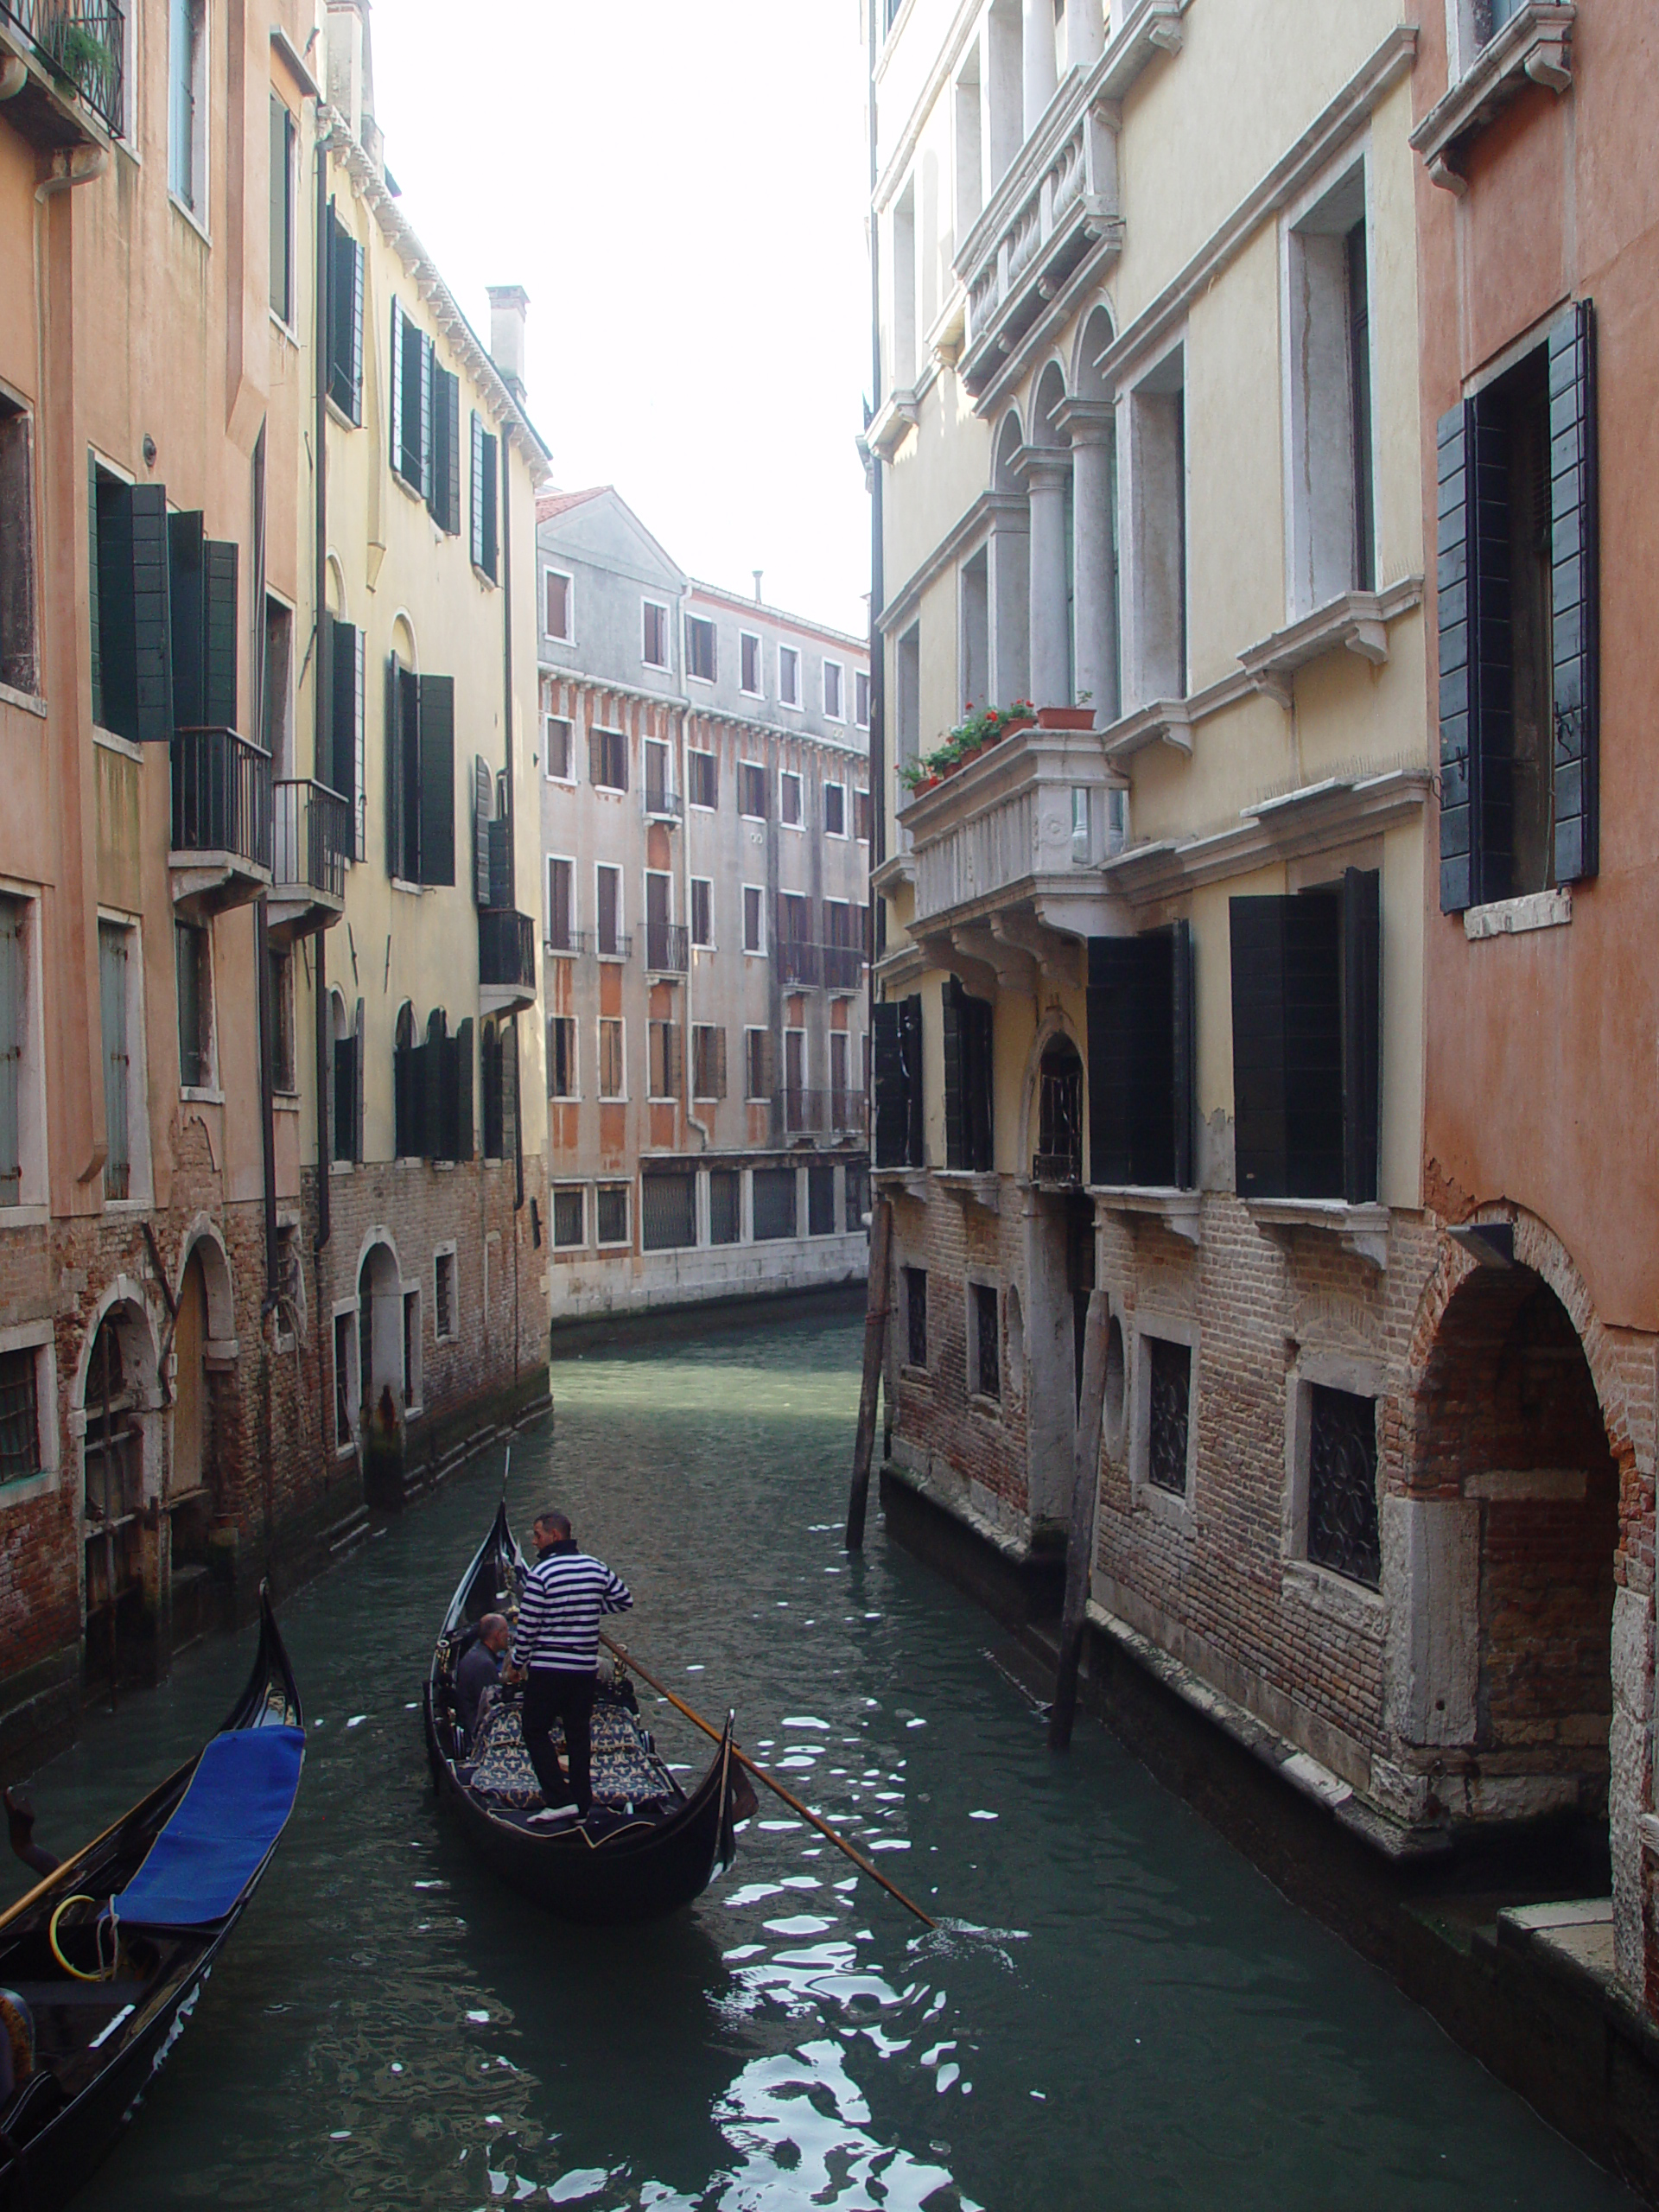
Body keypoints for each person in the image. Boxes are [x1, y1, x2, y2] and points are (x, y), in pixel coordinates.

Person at [503, 1509, 632, 1826]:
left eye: (537, 1535)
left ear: (554, 1535)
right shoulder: (594, 1566)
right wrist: (585, 1605)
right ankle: (582, 1803)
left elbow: (529, 1628)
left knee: (533, 1729)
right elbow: (623, 1600)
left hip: (549, 1669)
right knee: (577, 1735)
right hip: (583, 1671)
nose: (534, 1542)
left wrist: (516, 1666)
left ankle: (560, 1800)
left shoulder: (541, 1573)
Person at [454, 1613, 511, 1743]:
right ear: (497, 1635)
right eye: (506, 1631)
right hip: (477, 1733)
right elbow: (494, 1708)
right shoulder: (485, 1664)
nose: (509, 1635)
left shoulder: (476, 1654)